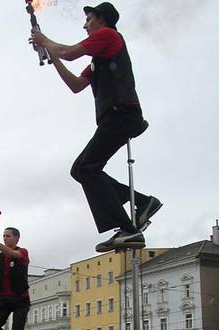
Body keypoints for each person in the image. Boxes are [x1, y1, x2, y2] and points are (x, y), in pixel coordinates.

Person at [31, 2, 161, 253]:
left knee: (86, 168)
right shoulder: (97, 60)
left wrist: (45, 40)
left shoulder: (108, 35)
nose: (85, 24)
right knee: (82, 169)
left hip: (122, 114)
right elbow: (76, 84)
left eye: (88, 19)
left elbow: (70, 52)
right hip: (116, 117)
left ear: (101, 19)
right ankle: (143, 203)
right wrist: (51, 54)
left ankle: (129, 229)